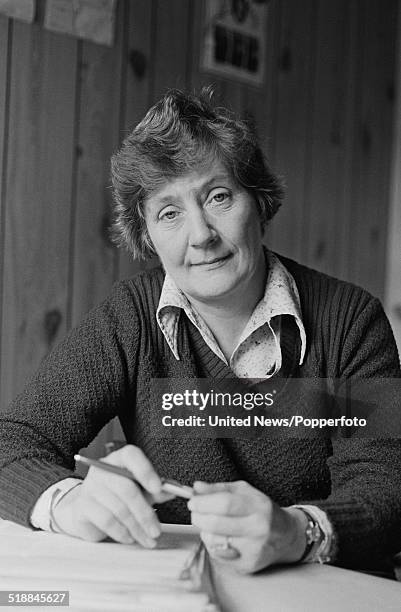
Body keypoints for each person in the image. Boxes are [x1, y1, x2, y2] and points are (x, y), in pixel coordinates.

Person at [0, 89, 400, 577]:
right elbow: (14, 440)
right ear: (147, 236)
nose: (202, 235)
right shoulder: (129, 317)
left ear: (260, 202)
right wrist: (69, 501)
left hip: (326, 589)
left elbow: (387, 486)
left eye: (218, 197)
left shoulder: (350, 320)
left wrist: (297, 531)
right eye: (169, 213)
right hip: (178, 587)